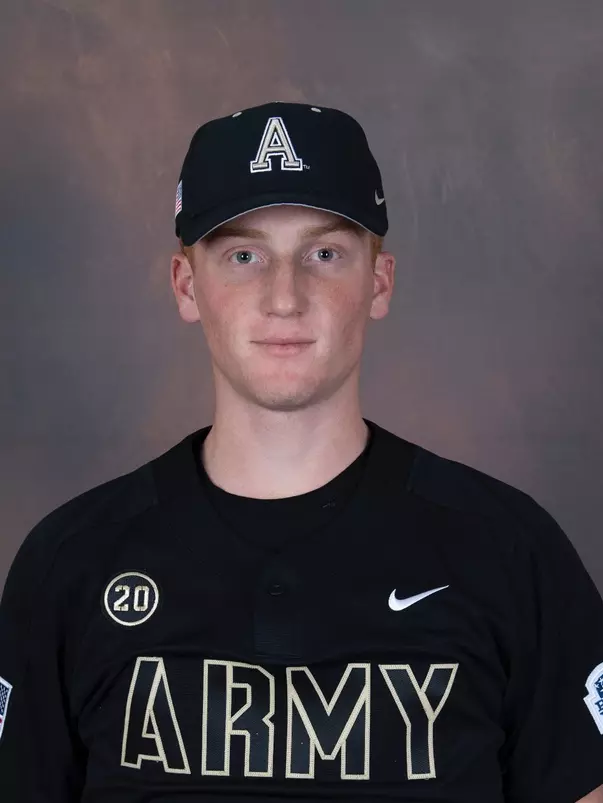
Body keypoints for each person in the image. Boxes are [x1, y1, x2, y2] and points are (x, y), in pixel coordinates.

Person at [0, 100, 602, 803]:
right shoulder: (70, 563)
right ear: (187, 286)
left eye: (324, 254)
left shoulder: (508, 552)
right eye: (244, 256)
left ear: (378, 282)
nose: (283, 297)